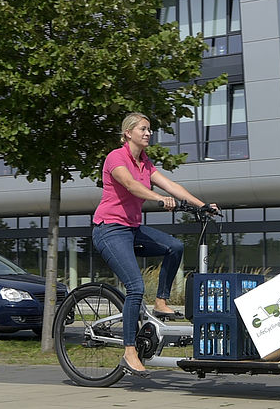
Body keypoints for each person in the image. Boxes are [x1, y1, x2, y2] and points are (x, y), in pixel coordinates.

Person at [92, 112, 216, 378]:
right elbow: (130, 185)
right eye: (143, 129)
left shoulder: (145, 163)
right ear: (128, 133)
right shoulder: (116, 157)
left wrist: (201, 205)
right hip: (109, 230)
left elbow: (172, 185)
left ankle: (161, 300)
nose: (148, 133)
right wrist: (158, 199)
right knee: (135, 287)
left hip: (132, 229)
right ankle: (128, 352)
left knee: (175, 247)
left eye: (150, 129)